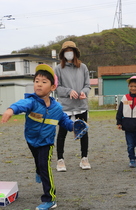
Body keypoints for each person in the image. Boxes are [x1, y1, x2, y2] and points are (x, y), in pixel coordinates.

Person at [1, 64, 74, 210]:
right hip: (31, 139)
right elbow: (21, 104)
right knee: (38, 162)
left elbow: (65, 121)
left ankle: (50, 199)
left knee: (45, 167)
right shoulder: (32, 102)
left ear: (53, 87)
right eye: (36, 81)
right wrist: (11, 110)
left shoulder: (57, 108)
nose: (39, 84)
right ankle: (38, 171)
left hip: (46, 142)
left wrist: (76, 127)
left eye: (44, 82)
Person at [55, 41, 91, 171]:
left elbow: (88, 85)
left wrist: (84, 93)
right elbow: (56, 87)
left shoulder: (83, 67)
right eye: (66, 51)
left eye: (71, 50)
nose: (69, 53)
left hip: (81, 105)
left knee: (83, 132)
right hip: (65, 107)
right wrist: (69, 91)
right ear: (63, 53)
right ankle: (60, 160)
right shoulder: (58, 69)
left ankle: (84, 158)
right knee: (62, 133)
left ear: (75, 53)